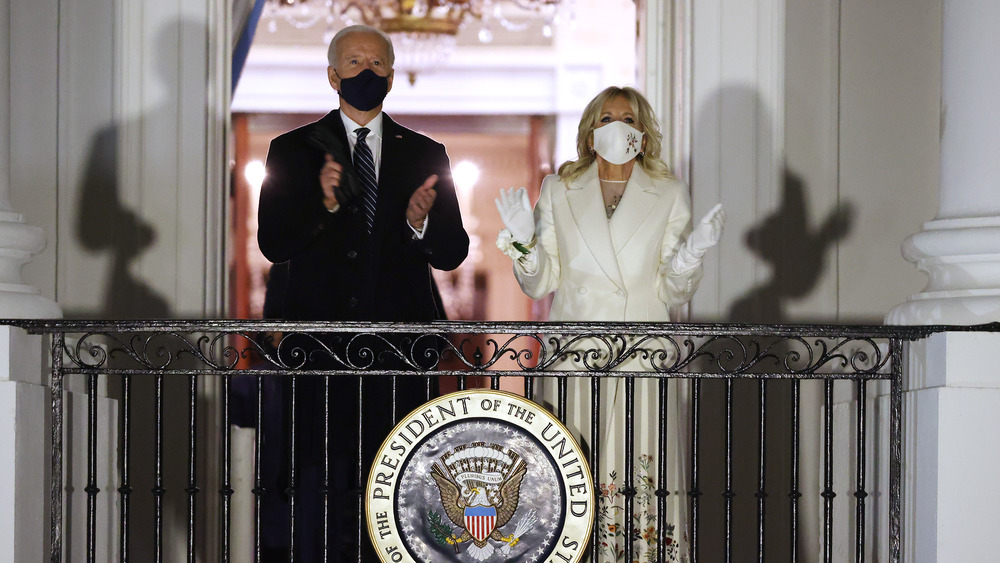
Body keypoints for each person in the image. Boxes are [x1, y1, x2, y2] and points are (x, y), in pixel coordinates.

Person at [257, 24, 469, 561]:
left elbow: (452, 252)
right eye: (354, 63)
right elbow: (273, 241)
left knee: (397, 482)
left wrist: (420, 223)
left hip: (400, 354)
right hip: (320, 352)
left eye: (377, 64)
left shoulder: (426, 153)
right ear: (332, 75)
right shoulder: (292, 150)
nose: (366, 73)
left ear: (392, 77)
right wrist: (323, 207)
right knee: (321, 482)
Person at [495, 85, 724, 562]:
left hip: (641, 356)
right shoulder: (559, 189)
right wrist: (522, 243)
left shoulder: (667, 191)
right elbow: (541, 284)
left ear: (642, 131)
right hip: (574, 357)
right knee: (572, 474)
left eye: (627, 117)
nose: (616, 125)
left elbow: (674, 289)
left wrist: (694, 251)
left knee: (638, 470)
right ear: (590, 130)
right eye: (605, 118)